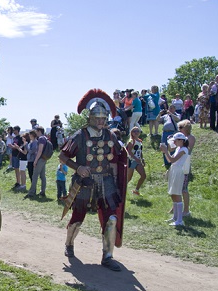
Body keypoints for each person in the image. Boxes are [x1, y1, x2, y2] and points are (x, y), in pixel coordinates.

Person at [59, 88, 127, 271]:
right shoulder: (80, 136)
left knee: (111, 218)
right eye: (97, 118)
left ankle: (107, 256)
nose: (100, 121)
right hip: (85, 183)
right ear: (90, 118)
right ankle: (69, 244)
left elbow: (119, 159)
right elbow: (63, 156)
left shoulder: (111, 135)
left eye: (103, 118)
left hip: (106, 182)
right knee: (78, 218)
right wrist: (78, 168)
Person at [159, 132, 189, 227]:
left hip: (178, 171)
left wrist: (166, 151)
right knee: (173, 194)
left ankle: (179, 220)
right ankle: (175, 217)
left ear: (181, 140)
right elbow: (170, 160)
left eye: (176, 141)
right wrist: (165, 152)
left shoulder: (184, 149)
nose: (174, 142)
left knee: (177, 193)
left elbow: (173, 160)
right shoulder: (178, 149)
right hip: (173, 170)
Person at [177, 120, 195, 217]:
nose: (179, 130)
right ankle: (175, 206)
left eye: (180, 128)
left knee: (184, 189)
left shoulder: (190, 138)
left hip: (185, 165)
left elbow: (187, 149)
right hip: (178, 164)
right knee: (177, 187)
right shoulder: (181, 138)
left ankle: (186, 209)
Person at [25, 127, 48, 199]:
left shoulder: (41, 139)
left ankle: (31, 192)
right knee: (42, 176)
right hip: (44, 158)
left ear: (39, 131)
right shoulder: (46, 138)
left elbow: (39, 151)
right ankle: (42, 191)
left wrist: (35, 160)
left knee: (35, 175)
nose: (36, 133)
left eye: (37, 131)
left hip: (40, 159)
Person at [126, 127, 146, 196]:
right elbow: (129, 152)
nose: (136, 132)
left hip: (138, 161)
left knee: (143, 176)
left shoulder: (140, 141)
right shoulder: (131, 141)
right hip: (131, 161)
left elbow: (140, 151)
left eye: (138, 131)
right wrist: (135, 158)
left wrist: (142, 159)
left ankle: (136, 190)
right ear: (132, 133)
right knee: (129, 178)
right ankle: (121, 189)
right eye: (134, 131)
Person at [159, 104, 180, 169]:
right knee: (164, 146)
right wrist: (159, 114)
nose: (170, 109)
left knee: (172, 146)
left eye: (172, 108)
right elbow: (158, 119)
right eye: (169, 108)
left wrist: (171, 114)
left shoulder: (176, 114)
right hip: (165, 132)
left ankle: (172, 161)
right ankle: (166, 162)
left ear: (174, 109)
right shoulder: (165, 116)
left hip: (172, 132)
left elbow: (178, 119)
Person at [8, 126, 27, 191]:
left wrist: (15, 147)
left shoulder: (21, 138)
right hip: (14, 154)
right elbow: (15, 146)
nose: (13, 131)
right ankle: (18, 182)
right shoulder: (15, 138)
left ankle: (22, 183)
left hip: (18, 155)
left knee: (20, 169)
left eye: (15, 130)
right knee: (16, 168)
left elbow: (21, 146)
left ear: (18, 130)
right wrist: (12, 146)